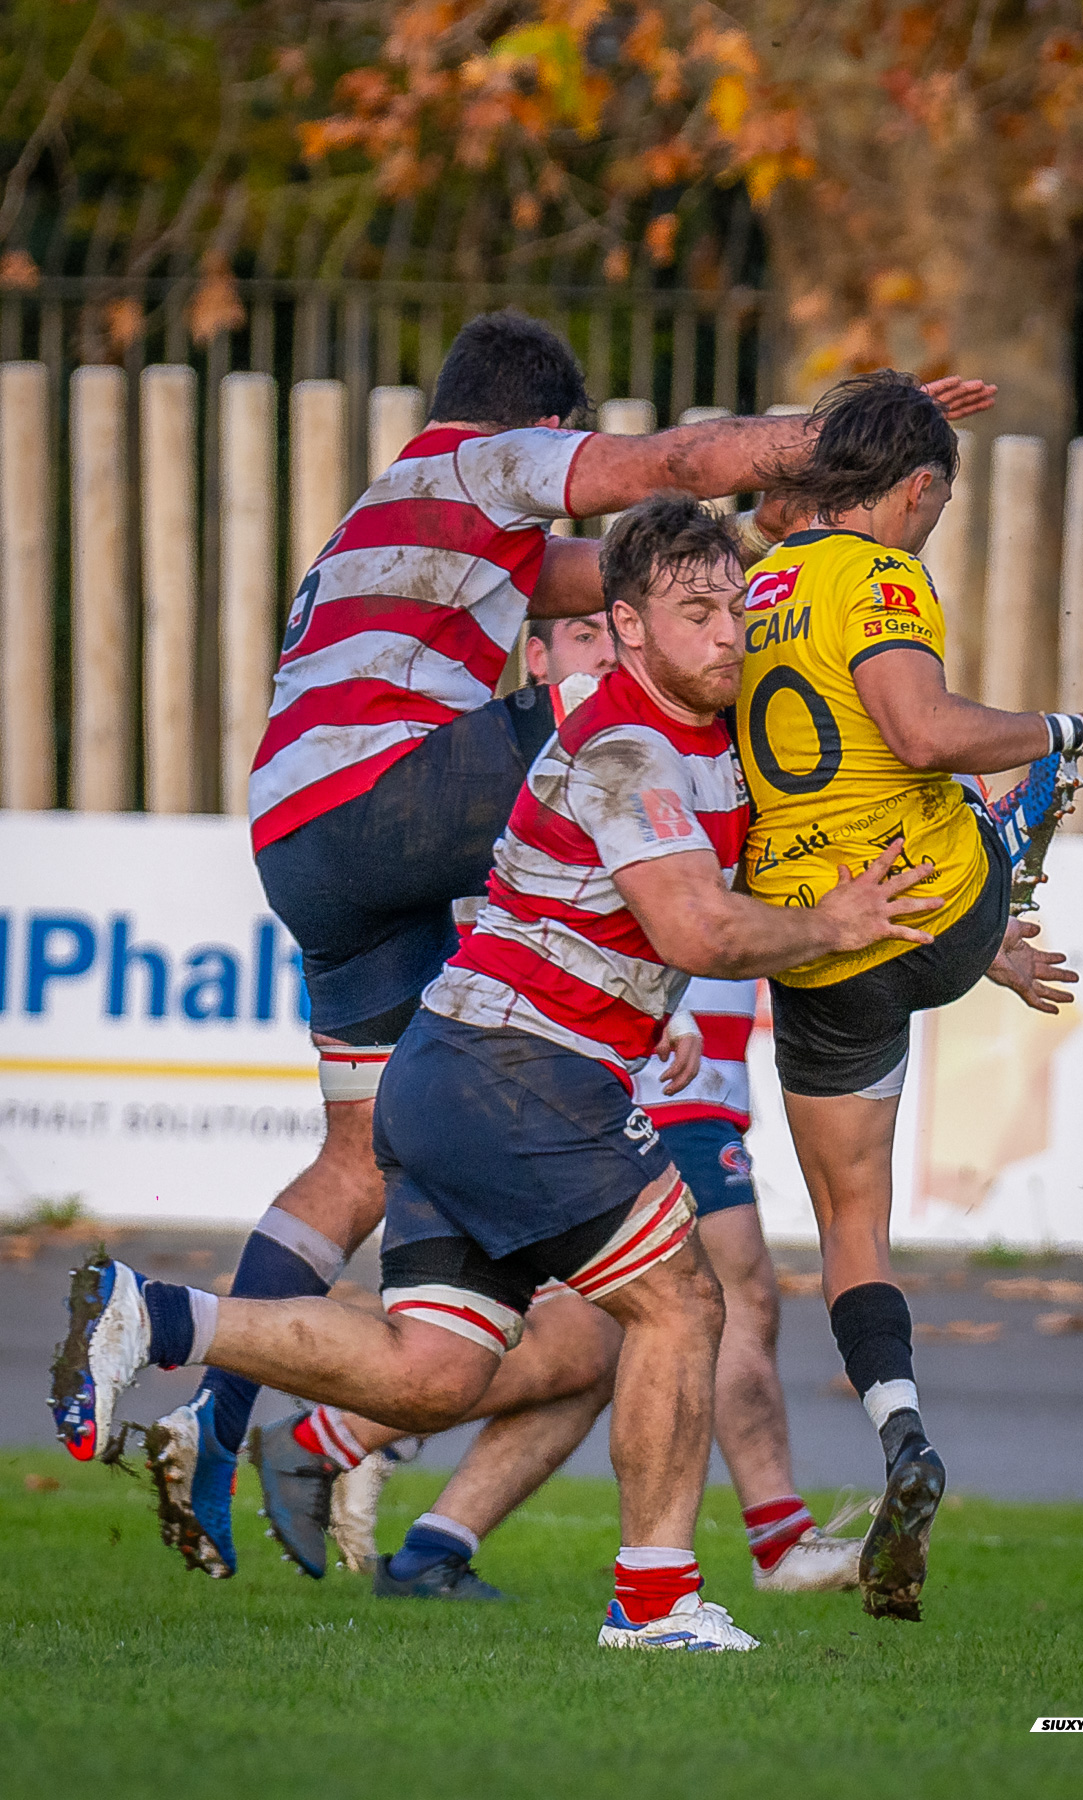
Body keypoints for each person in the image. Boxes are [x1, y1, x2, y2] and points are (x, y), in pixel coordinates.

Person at [137, 305, 997, 1581]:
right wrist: (837, 446)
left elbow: (668, 573)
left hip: (304, 841)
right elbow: (677, 473)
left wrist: (811, 509)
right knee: (632, 713)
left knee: (359, 1152)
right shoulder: (479, 464)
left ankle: (204, 1417)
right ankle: (664, 1578)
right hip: (377, 795)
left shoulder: (413, 526)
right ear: (541, 427)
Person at [52, 494, 941, 1651]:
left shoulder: (716, 743)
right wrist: (829, 925)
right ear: (622, 626)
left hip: (451, 1072)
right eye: (694, 611)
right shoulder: (625, 746)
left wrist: (965, 935)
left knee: (432, 1376)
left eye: (736, 607)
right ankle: (657, 1604)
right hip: (517, 1071)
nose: (727, 632)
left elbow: (778, 873)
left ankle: (154, 1314)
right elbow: (700, 934)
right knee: (681, 1301)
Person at [260, 609, 862, 1596]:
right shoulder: (556, 754)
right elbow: (512, 928)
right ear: (539, 659)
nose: (604, 654)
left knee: (603, 1339)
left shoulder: (703, 730)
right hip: (538, 1070)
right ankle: (749, 1551)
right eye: (581, 635)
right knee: (690, 1300)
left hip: (645, 1045)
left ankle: (420, 1534)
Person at [735, 368, 1083, 1621]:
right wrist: (1073, 726)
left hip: (819, 939)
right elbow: (921, 730)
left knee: (848, 1227)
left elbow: (769, 501)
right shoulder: (881, 575)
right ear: (918, 490)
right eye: (931, 504)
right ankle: (906, 1455)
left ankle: (898, 1429)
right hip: (931, 904)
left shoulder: (757, 580)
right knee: (1000, 784)